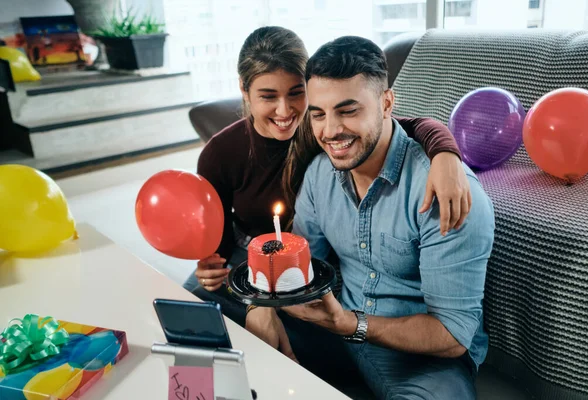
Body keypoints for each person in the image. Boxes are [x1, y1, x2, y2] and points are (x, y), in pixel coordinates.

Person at [245, 36, 495, 399]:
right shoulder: (319, 172)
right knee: (224, 325)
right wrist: (262, 306)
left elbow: (453, 335)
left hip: (423, 358)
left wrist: (350, 323)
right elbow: (300, 264)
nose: (330, 131)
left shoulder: (445, 192)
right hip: (334, 328)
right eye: (318, 114)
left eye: (348, 111)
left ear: (387, 102)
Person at [183, 26, 472, 329]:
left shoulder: (323, 127)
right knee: (192, 308)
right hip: (249, 251)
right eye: (268, 96)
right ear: (244, 89)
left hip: (312, 254)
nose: (285, 111)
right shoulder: (220, 152)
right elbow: (218, 242)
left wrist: (445, 154)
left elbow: (401, 124)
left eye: (297, 94)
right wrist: (213, 267)